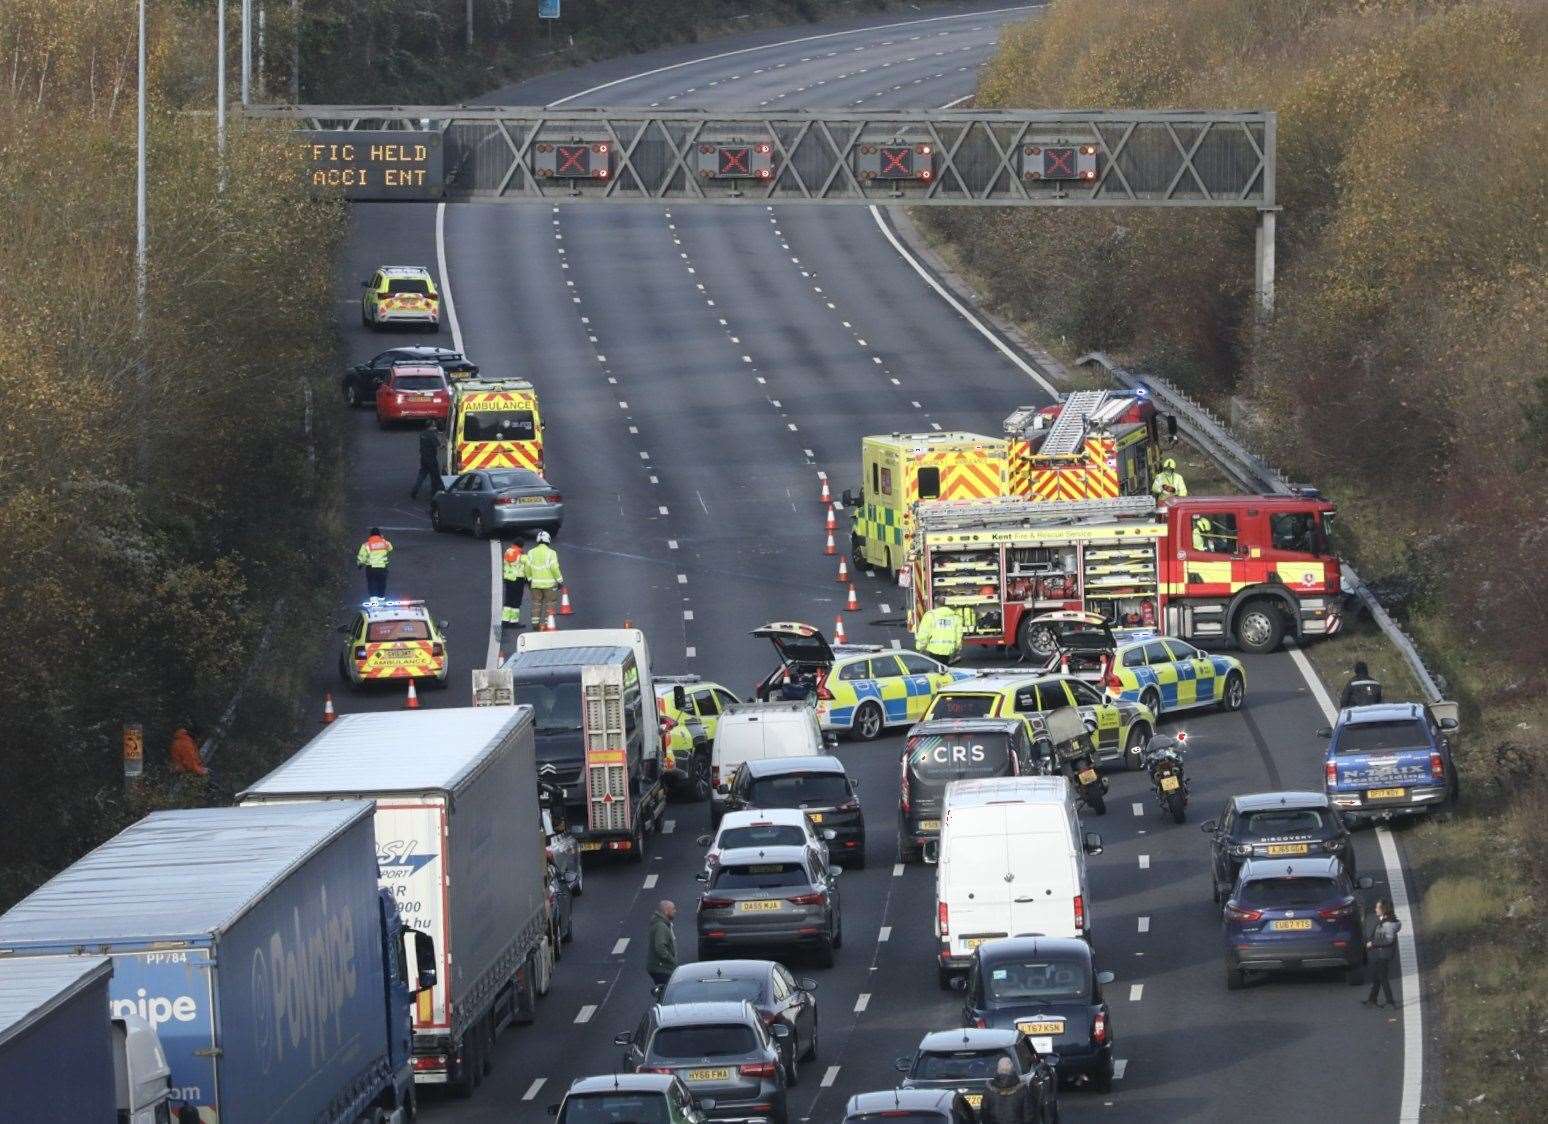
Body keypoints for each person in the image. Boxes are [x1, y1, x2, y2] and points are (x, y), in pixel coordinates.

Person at [1363, 899, 1402, 1008]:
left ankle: (1390, 1002)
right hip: (1381, 953)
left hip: (1383, 955)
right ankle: (1372, 1000)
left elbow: (1388, 940)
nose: (1375, 909)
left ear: (1383, 910)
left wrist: (1373, 943)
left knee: (1382, 977)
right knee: (1377, 976)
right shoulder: (1385, 921)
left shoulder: (1388, 924)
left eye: (1377, 907)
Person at [525, 530, 564, 626]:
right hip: (549, 585)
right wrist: (560, 580)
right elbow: (554, 568)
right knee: (550, 603)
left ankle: (535, 624)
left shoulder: (531, 552)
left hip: (535, 584)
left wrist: (529, 580)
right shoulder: (551, 553)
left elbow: (527, 567)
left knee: (536, 604)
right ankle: (548, 624)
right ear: (548, 540)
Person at [978, 1057, 1033, 1124]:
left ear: (998, 1069)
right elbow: (1028, 1114)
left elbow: (984, 1114)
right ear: (1012, 1069)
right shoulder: (1022, 1089)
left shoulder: (989, 1089)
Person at [646, 900, 678, 988]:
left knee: (664, 992)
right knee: (668, 993)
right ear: (666, 911)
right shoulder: (661, 926)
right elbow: (660, 947)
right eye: (673, 909)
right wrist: (672, 961)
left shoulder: (662, 924)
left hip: (660, 967)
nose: (675, 911)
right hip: (662, 968)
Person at [411, 420, 444, 500]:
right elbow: (438, 446)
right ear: (431, 426)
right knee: (435, 476)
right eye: (434, 425)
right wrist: (443, 444)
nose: (435, 426)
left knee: (421, 475)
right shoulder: (431, 436)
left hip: (423, 458)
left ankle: (414, 491)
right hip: (431, 458)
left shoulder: (423, 434)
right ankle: (434, 494)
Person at [356, 527, 393, 598]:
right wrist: (382, 539)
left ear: (370, 535)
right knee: (382, 582)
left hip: (371, 568)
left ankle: (373, 599)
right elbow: (390, 548)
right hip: (382, 567)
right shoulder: (385, 543)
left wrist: (360, 564)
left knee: (371, 583)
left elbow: (362, 556)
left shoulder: (366, 545)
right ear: (379, 535)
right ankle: (381, 598)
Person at [501, 541, 527, 627]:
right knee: (516, 602)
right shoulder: (520, 555)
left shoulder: (508, 552)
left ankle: (505, 621)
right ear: (521, 546)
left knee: (508, 601)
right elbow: (527, 565)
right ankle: (514, 622)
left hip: (508, 579)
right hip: (518, 580)